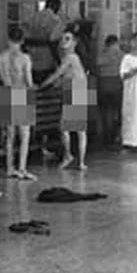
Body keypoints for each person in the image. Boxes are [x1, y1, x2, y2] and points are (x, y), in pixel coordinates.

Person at [38, 29, 89, 170]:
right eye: (62, 39)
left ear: (74, 42)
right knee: (76, 129)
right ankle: (79, 161)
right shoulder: (71, 58)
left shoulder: (70, 57)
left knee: (66, 127)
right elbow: (63, 77)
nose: (63, 42)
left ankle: (70, 157)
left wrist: (42, 85)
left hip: (76, 90)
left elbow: (57, 74)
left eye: (67, 39)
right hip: (76, 89)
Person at [0, 27, 36, 180]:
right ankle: (22, 169)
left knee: (10, 135)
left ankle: (9, 168)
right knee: (25, 135)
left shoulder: (0, 57)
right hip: (21, 93)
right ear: (22, 41)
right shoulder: (25, 58)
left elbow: (2, 76)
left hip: (6, 93)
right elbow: (29, 81)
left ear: (8, 39)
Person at [96, 35, 124, 147]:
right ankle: (115, 135)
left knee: (105, 113)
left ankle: (107, 137)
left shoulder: (102, 55)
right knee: (117, 112)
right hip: (117, 85)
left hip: (103, 85)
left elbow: (97, 65)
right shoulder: (121, 55)